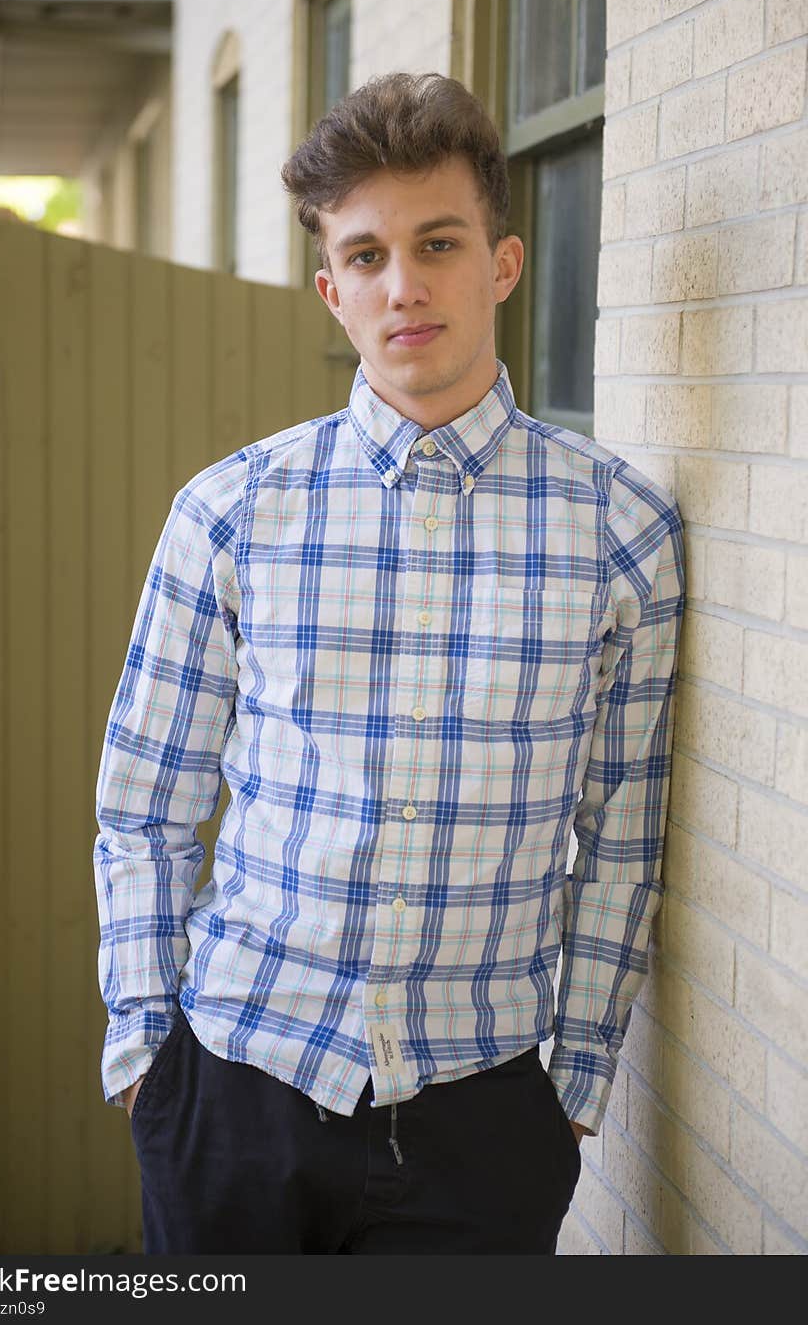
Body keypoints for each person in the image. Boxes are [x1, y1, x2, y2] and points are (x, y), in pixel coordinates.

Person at [93, 70, 686, 1255]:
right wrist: (145, 1054)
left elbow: (620, 837)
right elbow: (146, 803)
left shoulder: (621, 529)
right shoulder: (230, 511)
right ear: (331, 289)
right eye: (365, 256)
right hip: (234, 1088)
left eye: (437, 242)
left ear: (502, 262)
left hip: (484, 1120)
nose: (403, 285)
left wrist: (567, 1090)